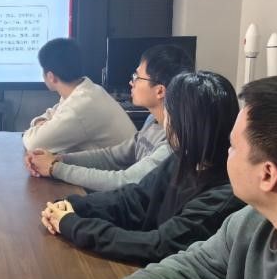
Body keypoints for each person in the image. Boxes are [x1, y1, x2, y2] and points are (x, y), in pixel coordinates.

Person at [113, 76, 277, 279]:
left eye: (233, 147)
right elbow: (185, 266)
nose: (226, 154)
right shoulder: (251, 221)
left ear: (267, 174)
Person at [40, 71, 245, 265]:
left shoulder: (223, 195)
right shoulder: (183, 159)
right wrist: (73, 206)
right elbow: (134, 198)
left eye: (169, 114)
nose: (165, 122)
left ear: (186, 123)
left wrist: (73, 225)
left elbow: (157, 245)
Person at [25, 44, 194, 191]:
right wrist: (60, 159)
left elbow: (124, 181)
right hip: (122, 199)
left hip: (133, 208)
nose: (131, 82)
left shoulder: (174, 141)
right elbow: (113, 156)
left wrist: (55, 168)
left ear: (160, 91)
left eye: (137, 77)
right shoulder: (152, 121)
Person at [22, 38, 135, 153]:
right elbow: (52, 113)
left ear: (51, 77)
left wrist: (37, 129)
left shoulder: (79, 106)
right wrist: (39, 122)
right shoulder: (87, 90)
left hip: (120, 164)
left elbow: (33, 143)